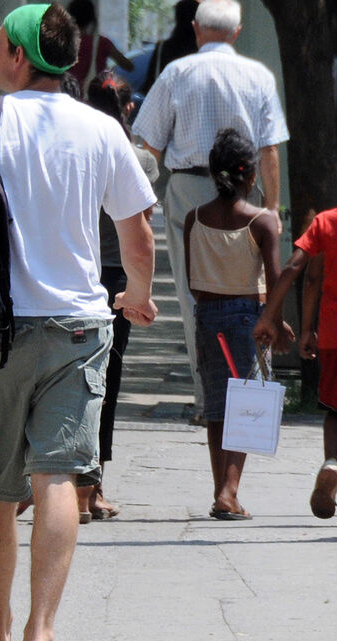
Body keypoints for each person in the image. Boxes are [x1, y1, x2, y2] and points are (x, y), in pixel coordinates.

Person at [0, 5, 157, 641]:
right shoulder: (101, 128)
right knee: (58, 479)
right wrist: (135, 296)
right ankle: (41, 635)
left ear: (20, 55)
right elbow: (136, 232)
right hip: (80, 327)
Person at [131, 0, 289, 426]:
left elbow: (149, 145)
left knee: (193, 296)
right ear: (236, 33)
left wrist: (139, 204)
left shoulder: (176, 73)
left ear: (197, 29)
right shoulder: (258, 76)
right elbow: (269, 147)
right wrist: (271, 209)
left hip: (189, 191)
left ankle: (208, 402)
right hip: (245, 194)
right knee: (252, 294)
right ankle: (253, 396)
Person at [253, 137, 337, 528]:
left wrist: (270, 317)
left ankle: (330, 460)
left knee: (336, 410)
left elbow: (297, 269)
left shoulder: (327, 221)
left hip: (335, 336)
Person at [184, 128, 290, 520]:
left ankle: (221, 492)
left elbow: (194, 282)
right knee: (247, 405)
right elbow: (276, 279)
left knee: (217, 407)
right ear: (251, 177)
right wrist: (274, 321)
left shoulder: (195, 219)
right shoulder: (262, 222)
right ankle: (228, 493)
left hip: (207, 317)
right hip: (248, 317)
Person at [79, 69, 159, 522]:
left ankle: (64, 479)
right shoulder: (140, 160)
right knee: (106, 378)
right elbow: (141, 222)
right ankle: (93, 486)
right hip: (118, 277)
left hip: (76, 268)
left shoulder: (78, 144)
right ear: (129, 107)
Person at [66, 0, 136, 92]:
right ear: (91, 19)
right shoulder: (101, 43)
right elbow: (129, 66)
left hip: (69, 97)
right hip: (94, 99)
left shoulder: (64, 42)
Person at [140, 0, 199, 94]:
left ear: (177, 18)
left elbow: (150, 84)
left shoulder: (163, 49)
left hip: (167, 104)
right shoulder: (203, 50)